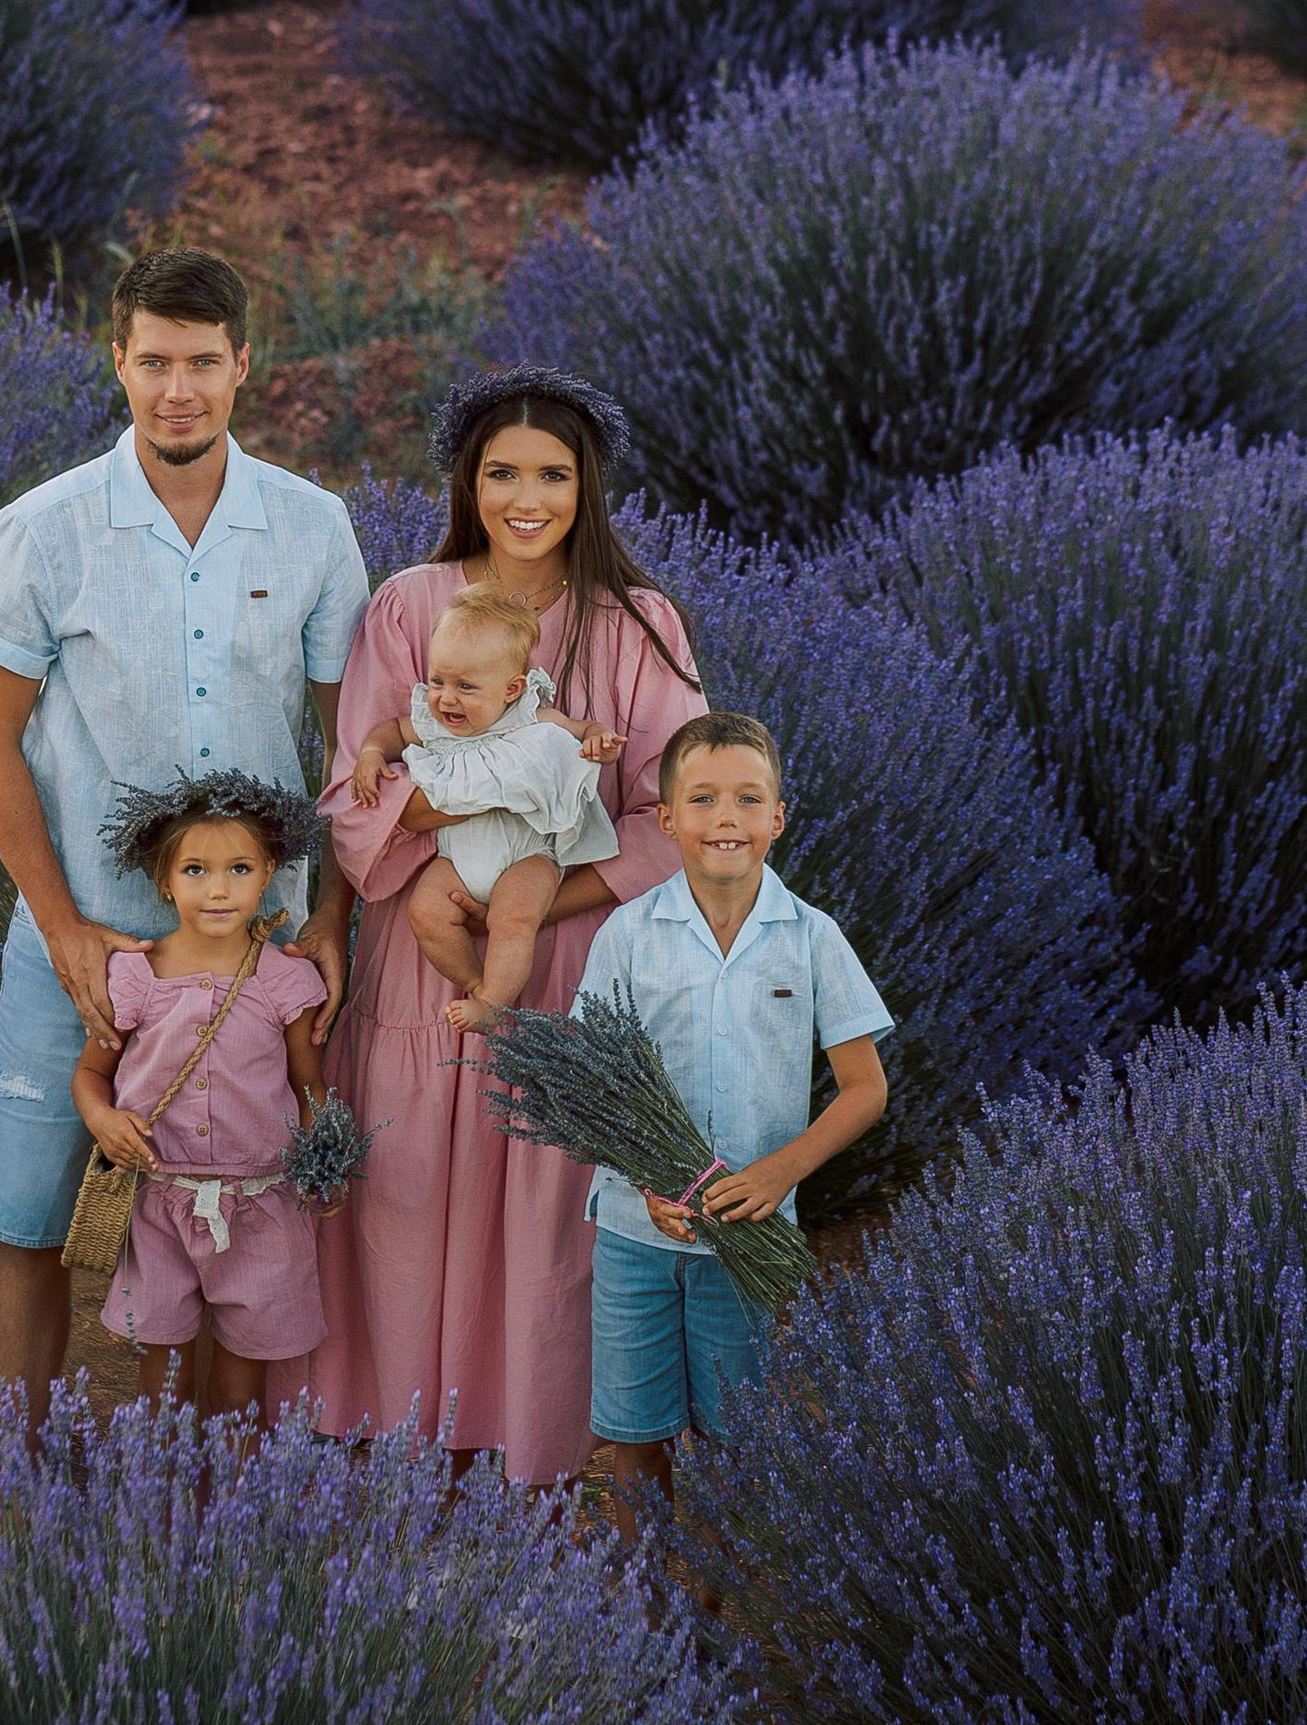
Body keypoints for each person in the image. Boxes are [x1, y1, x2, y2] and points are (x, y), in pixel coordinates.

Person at [0, 246, 369, 1408]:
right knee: (30, 1217)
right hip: (81, 944)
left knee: (245, 1218)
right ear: (118, 363)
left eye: (201, 362)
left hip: (258, 958)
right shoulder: (44, 530)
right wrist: (65, 928)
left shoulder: (310, 528)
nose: (176, 389)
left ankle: (209, 1491)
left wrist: (331, 915)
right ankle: (14, 1472)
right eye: (153, 362)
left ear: (245, 365)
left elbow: (354, 751)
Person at [313, 366, 706, 1483]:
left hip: (566, 949)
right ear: (465, 481)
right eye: (500, 473)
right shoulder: (408, 604)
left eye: (552, 474)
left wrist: (533, 900)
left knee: (544, 1205)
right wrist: (495, 808)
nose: (524, 496)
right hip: (420, 937)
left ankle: (538, 1443)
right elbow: (357, 791)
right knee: (413, 1191)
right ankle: (399, 1437)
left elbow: (665, 815)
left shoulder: (638, 624)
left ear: (588, 488)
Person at [575, 710, 891, 1533]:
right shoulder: (628, 935)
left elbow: (865, 1089)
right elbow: (592, 1081)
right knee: (636, 1435)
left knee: (733, 1432)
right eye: (704, 799)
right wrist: (644, 1183)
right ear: (667, 818)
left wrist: (782, 1172)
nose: (727, 819)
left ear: (779, 818)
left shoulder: (812, 938)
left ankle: (710, 1610)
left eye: (749, 800)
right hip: (636, 1231)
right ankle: (648, 1612)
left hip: (747, 1236)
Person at [73, 772, 333, 1424]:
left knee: (240, 1397)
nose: (218, 889)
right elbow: (90, 1076)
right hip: (158, 1207)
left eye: (239, 868)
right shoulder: (134, 976)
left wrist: (325, 1157)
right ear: (164, 879)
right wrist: (101, 1119)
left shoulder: (285, 980)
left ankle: (233, 1513)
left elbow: (308, 1082)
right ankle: (158, 1513)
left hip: (262, 1205)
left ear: (269, 871)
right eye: (195, 870)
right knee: (163, 1391)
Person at [345, 582, 623, 1032]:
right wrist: (371, 754)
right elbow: (391, 731)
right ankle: (476, 981)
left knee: (514, 918)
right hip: (457, 859)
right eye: (438, 681)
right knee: (426, 913)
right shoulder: (434, 725)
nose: (446, 698)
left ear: (512, 689)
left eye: (466, 687)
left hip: (528, 856)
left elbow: (583, 728)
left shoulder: (533, 718)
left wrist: (599, 741)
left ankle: (495, 1000)